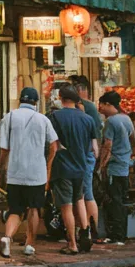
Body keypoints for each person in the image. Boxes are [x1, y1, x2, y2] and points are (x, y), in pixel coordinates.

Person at [0, 87, 58, 258]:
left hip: (15, 172)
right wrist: (48, 166)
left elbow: (4, 149)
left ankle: (7, 238)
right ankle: (29, 244)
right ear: (36, 102)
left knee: (15, 210)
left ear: (20, 100)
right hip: (37, 173)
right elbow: (54, 146)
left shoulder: (10, 117)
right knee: (34, 209)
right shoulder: (43, 119)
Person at [48, 84, 99, 254]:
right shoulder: (88, 119)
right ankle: (85, 232)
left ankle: (72, 244)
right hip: (81, 166)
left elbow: (53, 146)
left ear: (61, 98)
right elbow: (94, 147)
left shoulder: (55, 117)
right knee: (80, 200)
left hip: (63, 167)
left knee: (66, 206)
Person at [97, 91, 135, 245]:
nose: (100, 108)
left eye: (101, 104)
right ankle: (122, 234)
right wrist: (127, 154)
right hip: (124, 166)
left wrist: (101, 166)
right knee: (121, 200)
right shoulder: (127, 119)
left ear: (107, 104)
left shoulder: (111, 121)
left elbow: (107, 145)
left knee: (114, 201)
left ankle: (116, 235)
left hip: (114, 167)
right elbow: (134, 139)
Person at [69, 74, 102, 243]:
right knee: (81, 194)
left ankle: (92, 231)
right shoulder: (79, 107)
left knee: (86, 193)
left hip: (86, 155)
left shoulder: (87, 107)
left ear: (80, 89)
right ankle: (84, 230)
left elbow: (95, 133)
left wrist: (96, 153)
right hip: (82, 155)